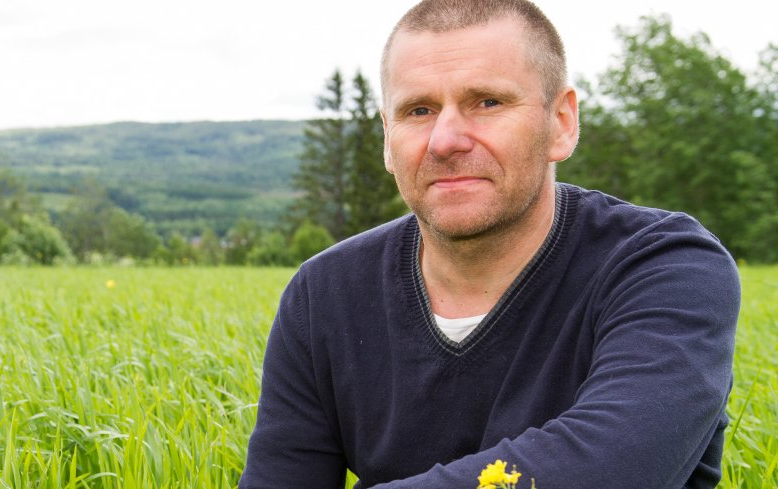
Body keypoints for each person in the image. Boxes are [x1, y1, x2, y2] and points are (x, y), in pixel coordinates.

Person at [240, 1, 740, 487]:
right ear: (387, 140)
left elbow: (612, 466)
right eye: (419, 110)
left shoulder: (665, 268)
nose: (446, 139)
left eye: (488, 102)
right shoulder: (326, 294)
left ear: (561, 123)